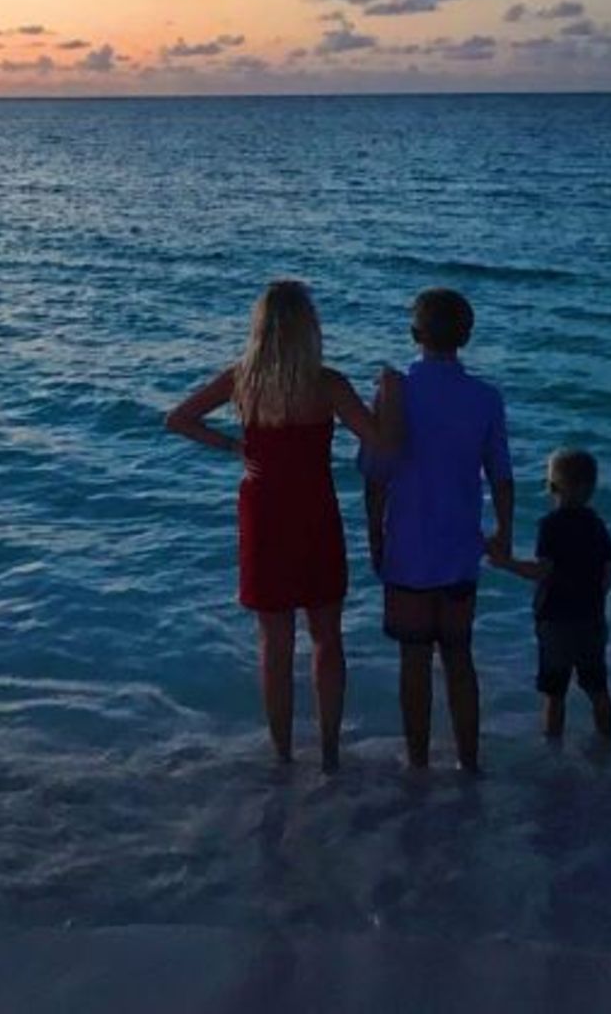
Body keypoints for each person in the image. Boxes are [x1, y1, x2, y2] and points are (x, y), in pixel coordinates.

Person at [166, 280, 402, 769]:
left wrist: (235, 448)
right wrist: (391, 394)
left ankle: (282, 755)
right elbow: (381, 441)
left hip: (264, 509)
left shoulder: (243, 380)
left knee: (274, 642)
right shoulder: (328, 383)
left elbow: (180, 419)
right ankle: (331, 754)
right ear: (308, 328)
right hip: (314, 508)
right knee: (327, 637)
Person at [361, 288, 513, 773]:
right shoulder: (486, 399)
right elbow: (501, 476)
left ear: (414, 334)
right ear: (467, 336)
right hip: (458, 550)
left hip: (407, 549)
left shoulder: (395, 391)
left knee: (413, 662)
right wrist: (503, 532)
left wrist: (374, 535)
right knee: (459, 658)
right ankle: (469, 762)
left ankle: (419, 763)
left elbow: (376, 475)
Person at [488, 448, 611, 740]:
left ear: (553, 487)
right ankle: (607, 741)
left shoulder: (551, 525)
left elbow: (542, 570)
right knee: (598, 688)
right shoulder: (598, 526)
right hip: (592, 620)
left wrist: (506, 564)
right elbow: (608, 575)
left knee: (554, 691)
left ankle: (553, 749)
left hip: (556, 620)